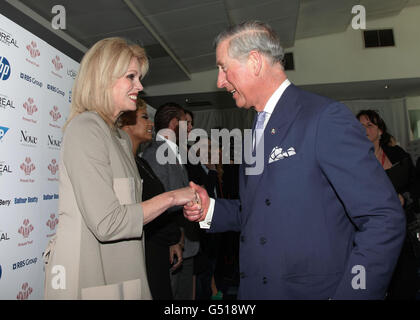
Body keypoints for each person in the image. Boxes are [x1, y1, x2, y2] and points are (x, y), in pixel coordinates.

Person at [184, 21, 406, 299]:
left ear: (254, 62)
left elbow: (383, 218)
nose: (219, 81)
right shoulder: (256, 127)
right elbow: (260, 211)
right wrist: (210, 211)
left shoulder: (324, 118)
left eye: (223, 67)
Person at [43, 38, 197, 300]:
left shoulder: (120, 138)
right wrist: (173, 197)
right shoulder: (85, 129)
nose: (140, 86)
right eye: (131, 77)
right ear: (104, 78)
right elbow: (107, 223)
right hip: (90, 275)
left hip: (124, 273)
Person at [118, 98, 183, 299]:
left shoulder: (140, 162)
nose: (151, 124)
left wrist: (173, 239)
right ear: (126, 121)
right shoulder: (121, 164)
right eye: (145, 117)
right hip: (142, 254)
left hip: (158, 250)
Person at [357, 109, 420, 299]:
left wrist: (403, 197)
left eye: (370, 125)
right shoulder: (353, 160)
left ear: (380, 131)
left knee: (405, 282)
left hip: (403, 231)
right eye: (360, 126)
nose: (365, 130)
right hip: (369, 234)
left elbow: (416, 187)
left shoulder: (397, 154)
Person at [142, 102, 200, 300]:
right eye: (186, 122)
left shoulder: (174, 151)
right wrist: (172, 238)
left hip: (184, 243)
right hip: (170, 246)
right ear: (175, 123)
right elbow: (157, 201)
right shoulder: (155, 154)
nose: (189, 128)